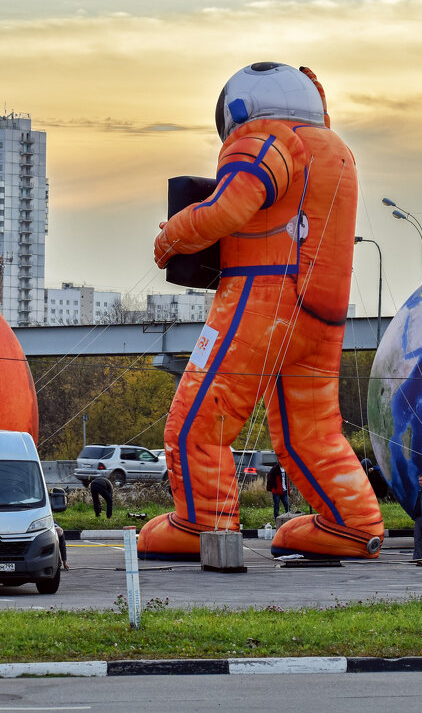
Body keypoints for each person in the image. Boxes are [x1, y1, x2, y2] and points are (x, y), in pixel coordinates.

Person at [139, 62, 383, 560]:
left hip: (260, 303)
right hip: (321, 314)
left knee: (197, 423)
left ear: (238, 109)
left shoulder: (263, 140)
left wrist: (170, 238)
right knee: (311, 429)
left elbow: (227, 209)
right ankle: (352, 523)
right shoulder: (336, 151)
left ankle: (203, 521)